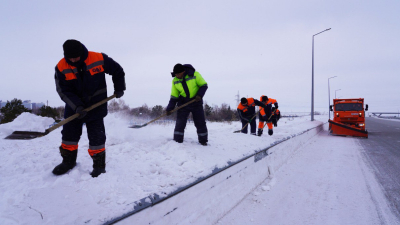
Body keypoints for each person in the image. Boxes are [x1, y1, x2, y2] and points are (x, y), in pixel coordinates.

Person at [53, 39, 126, 177]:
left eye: (76, 57)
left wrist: (120, 87)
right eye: (70, 58)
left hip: (96, 105)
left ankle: (99, 166)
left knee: (97, 136)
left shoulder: (98, 58)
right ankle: (68, 162)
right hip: (74, 107)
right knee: (69, 136)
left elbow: (117, 70)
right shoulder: (61, 67)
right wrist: (77, 106)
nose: (74, 60)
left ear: (82, 52)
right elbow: (63, 91)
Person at [166, 63, 208, 146]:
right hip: (183, 103)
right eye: (175, 74)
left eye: (178, 74)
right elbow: (174, 96)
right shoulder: (175, 81)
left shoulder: (195, 74)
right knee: (180, 123)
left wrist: (199, 95)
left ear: (183, 71)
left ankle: (203, 141)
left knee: (200, 122)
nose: (176, 76)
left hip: (196, 102)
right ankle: (177, 141)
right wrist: (170, 108)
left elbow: (204, 85)